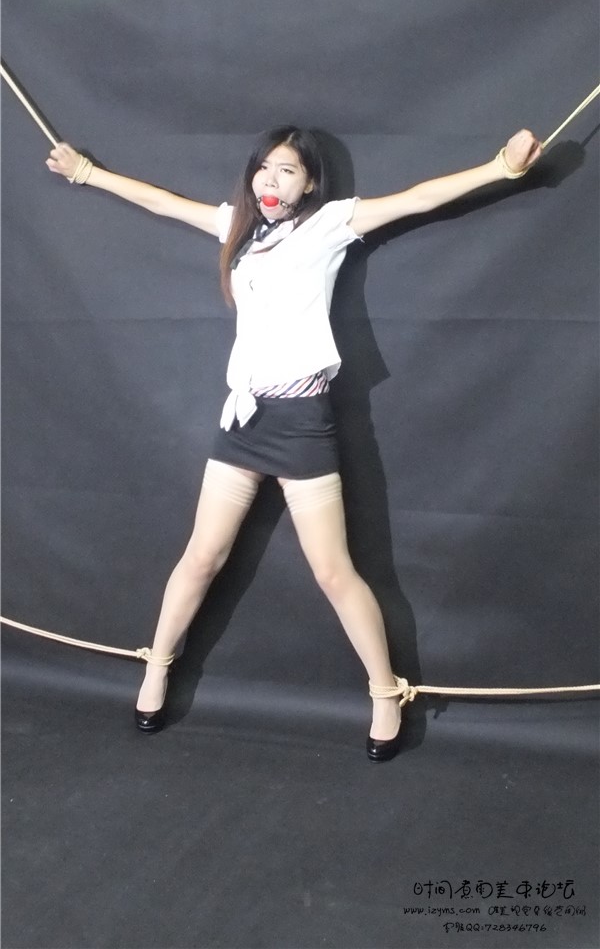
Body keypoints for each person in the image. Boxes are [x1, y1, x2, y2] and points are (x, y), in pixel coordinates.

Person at [46, 125, 542, 761]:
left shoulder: (329, 224)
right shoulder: (240, 229)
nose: (271, 180)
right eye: (264, 168)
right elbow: (163, 202)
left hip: (303, 421)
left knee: (333, 571)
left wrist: (502, 167)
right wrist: (86, 173)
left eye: (286, 170)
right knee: (201, 556)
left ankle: (385, 692)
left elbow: (417, 199)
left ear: (309, 182)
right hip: (242, 421)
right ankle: (157, 667)